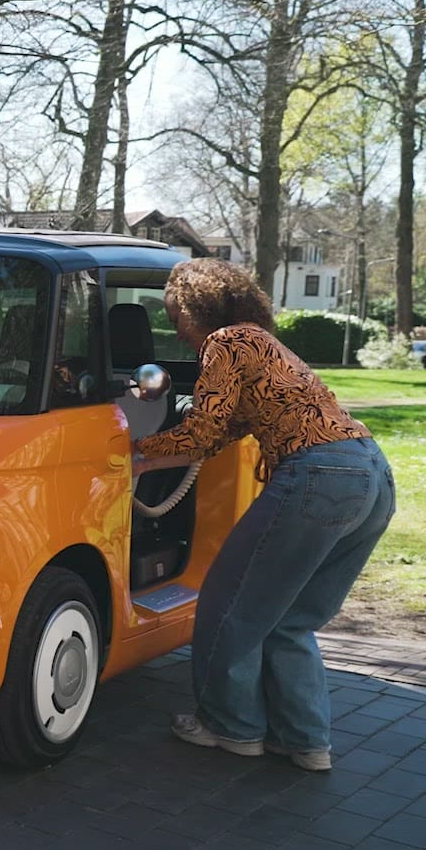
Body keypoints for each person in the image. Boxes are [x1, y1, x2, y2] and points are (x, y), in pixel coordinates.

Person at [133, 257, 394, 772]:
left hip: (315, 476)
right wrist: (162, 452)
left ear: (193, 306)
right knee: (291, 621)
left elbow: (203, 433)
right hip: (370, 474)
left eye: (175, 316)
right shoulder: (261, 342)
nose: (176, 331)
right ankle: (304, 742)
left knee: (230, 604)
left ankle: (230, 727)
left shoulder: (225, 342)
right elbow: (228, 429)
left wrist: (136, 446)